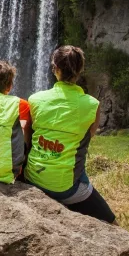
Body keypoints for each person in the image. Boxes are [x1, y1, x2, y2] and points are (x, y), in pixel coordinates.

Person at [25, 46, 115, 223]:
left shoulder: (35, 99)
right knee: (111, 222)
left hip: (33, 178)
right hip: (67, 188)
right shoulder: (92, 105)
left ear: (55, 69)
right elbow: (87, 138)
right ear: (80, 70)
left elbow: (28, 138)